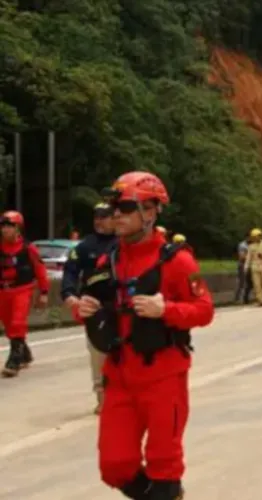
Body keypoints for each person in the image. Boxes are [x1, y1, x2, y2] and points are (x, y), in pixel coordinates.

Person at [74, 171, 214, 499]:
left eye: (124, 207)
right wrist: (84, 309)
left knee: (164, 466)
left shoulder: (178, 261)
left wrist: (166, 310)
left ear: (150, 212)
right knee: (114, 466)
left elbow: (204, 310)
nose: (115, 215)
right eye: (113, 208)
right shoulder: (107, 261)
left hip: (164, 376)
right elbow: (100, 311)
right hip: (120, 376)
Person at [61, 202, 116, 412]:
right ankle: (102, 396)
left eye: (105, 216)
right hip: (94, 307)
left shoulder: (124, 243)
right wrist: (69, 295)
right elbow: (70, 272)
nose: (99, 221)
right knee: (97, 351)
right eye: (97, 217)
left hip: (121, 304)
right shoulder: (85, 247)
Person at [0, 211, 49, 377]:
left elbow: (40, 270)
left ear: (18, 228)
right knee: (8, 326)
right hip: (3, 291)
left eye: (9, 226)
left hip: (23, 289)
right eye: (3, 226)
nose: (5, 230)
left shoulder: (28, 248)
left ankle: (14, 360)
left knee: (17, 322)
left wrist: (44, 292)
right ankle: (24, 353)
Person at [235, 234, 252, 304]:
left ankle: (245, 298)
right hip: (242, 265)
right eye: (250, 237)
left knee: (250, 283)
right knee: (242, 282)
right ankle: (237, 299)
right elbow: (242, 256)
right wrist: (251, 257)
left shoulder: (252, 245)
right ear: (247, 237)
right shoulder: (243, 245)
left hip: (249, 265)